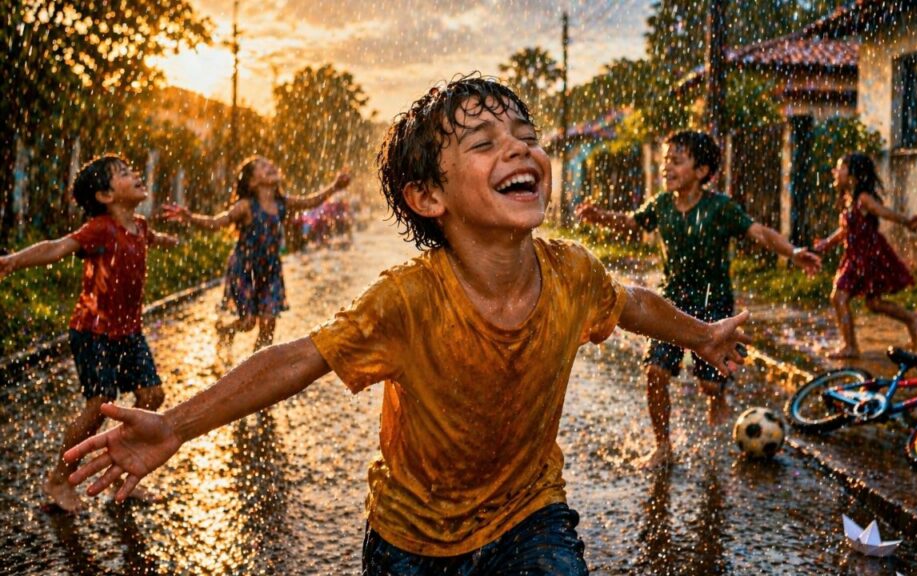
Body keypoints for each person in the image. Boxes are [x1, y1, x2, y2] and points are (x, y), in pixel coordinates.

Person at [63, 77, 750, 574]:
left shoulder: (572, 273)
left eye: (526, 138)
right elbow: (299, 359)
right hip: (411, 543)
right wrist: (178, 425)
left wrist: (704, 334)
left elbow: (630, 302)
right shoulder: (407, 301)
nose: (520, 151)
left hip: (530, 516)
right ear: (428, 197)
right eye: (485, 143)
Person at [576, 130, 821, 468]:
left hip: (712, 307)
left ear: (703, 171)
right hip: (670, 304)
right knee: (655, 372)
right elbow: (631, 222)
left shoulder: (720, 208)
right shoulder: (661, 204)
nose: (666, 167)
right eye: (665, 161)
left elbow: (759, 232)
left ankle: (715, 393)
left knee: (707, 384)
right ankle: (663, 446)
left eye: (676, 161)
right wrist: (600, 216)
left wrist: (793, 252)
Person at [0, 155, 179, 512]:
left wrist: (170, 240)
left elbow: (152, 237)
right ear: (105, 196)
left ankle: (123, 471)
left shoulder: (140, 226)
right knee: (99, 406)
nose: (136, 176)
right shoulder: (99, 229)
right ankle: (57, 479)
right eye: (124, 174)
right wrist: (13, 260)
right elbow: (57, 247)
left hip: (128, 331)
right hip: (93, 330)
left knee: (152, 395)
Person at [162, 157, 350, 350]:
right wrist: (190, 217)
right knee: (248, 322)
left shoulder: (281, 203)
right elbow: (218, 222)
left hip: (271, 270)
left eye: (270, 164)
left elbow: (310, 202)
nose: (270, 166)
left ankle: (259, 371)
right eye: (262, 166)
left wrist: (334, 187)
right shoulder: (246, 206)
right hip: (244, 269)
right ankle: (228, 331)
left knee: (268, 324)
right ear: (252, 182)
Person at [813, 152, 917, 359]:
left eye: (841, 168)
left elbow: (884, 212)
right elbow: (845, 230)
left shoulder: (863, 198)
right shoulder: (850, 200)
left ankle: (850, 346)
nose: (835, 172)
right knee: (874, 303)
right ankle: (911, 317)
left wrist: (907, 221)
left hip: (867, 257)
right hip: (856, 257)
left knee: (839, 297)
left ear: (853, 175)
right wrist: (827, 243)